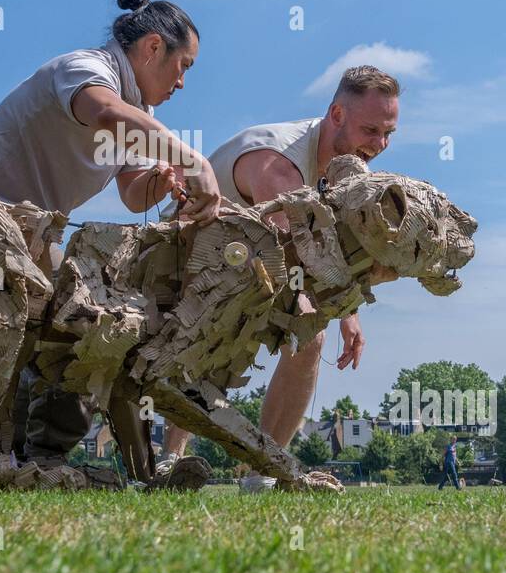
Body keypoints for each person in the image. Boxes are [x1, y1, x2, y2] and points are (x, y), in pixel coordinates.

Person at [0, 0, 221, 484]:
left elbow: (132, 194)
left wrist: (162, 180)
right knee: (39, 334)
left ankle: (36, 459)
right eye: (184, 67)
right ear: (153, 47)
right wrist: (193, 160)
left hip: (31, 235)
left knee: (85, 330)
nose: (183, 82)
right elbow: (105, 113)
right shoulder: (87, 68)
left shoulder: (143, 112)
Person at [157, 65, 401, 491]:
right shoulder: (280, 163)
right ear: (337, 115)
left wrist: (349, 313)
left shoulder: (344, 171)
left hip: (252, 263)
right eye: (371, 130)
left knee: (310, 336)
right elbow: (304, 255)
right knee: (221, 329)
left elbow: (325, 250)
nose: (379, 145)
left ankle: (262, 472)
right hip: (179, 263)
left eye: (388, 133)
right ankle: (167, 461)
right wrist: (340, 305)